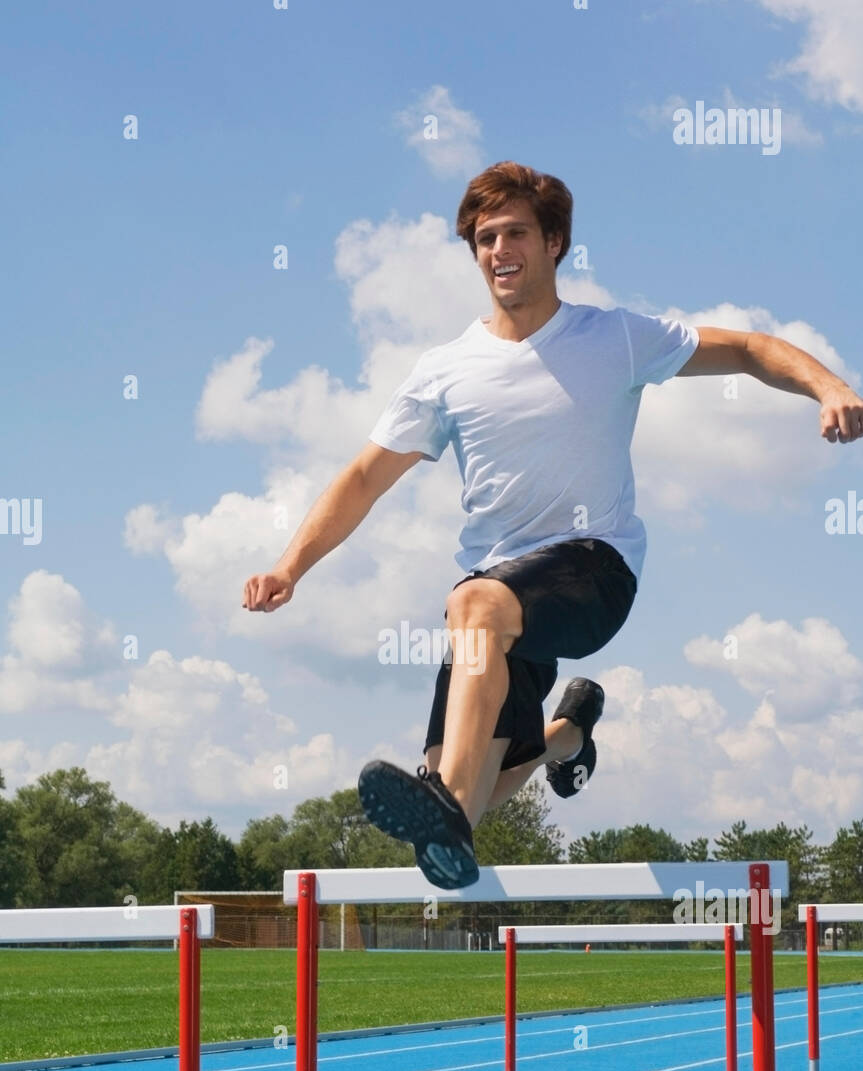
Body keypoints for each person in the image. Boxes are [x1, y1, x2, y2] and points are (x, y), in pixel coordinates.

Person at [243, 161, 863, 891]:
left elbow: (751, 349)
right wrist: (290, 565)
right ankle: (565, 732)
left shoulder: (614, 338)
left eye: (513, 233)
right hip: (498, 601)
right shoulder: (444, 370)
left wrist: (830, 386)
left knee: (469, 609)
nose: (497, 250)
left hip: (591, 569)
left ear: (554, 243)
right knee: (465, 800)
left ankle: (454, 788)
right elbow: (362, 478)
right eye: (482, 239)